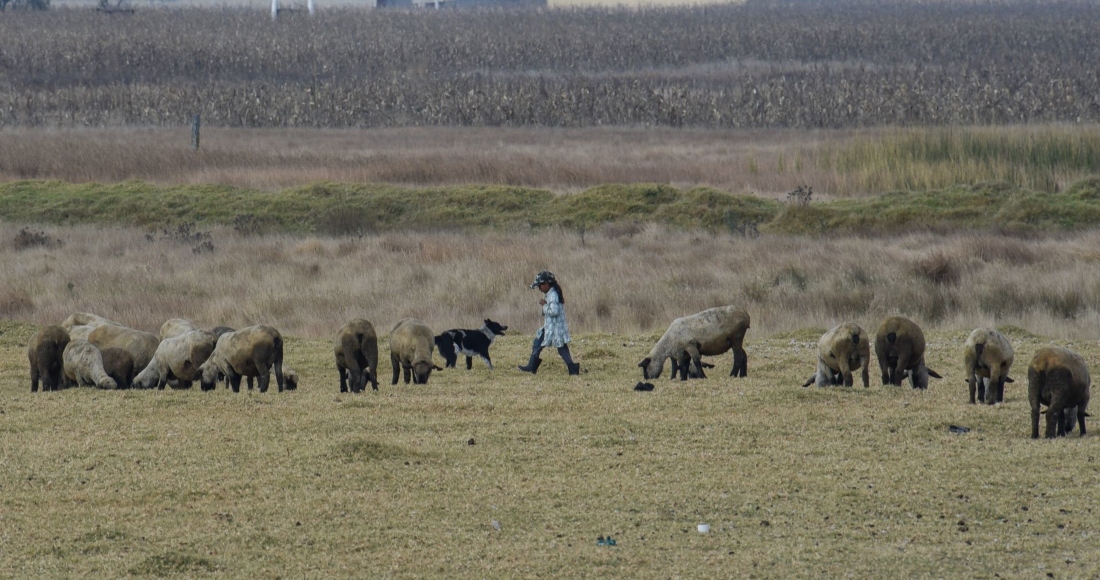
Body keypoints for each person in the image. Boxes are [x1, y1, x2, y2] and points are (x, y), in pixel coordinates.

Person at [518, 270, 580, 375]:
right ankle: (572, 369)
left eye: (540, 286)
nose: (539, 288)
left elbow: (554, 311)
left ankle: (532, 367)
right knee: (543, 344)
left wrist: (544, 305)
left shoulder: (553, 295)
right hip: (553, 327)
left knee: (551, 347)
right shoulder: (553, 293)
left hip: (553, 328)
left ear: (546, 284)